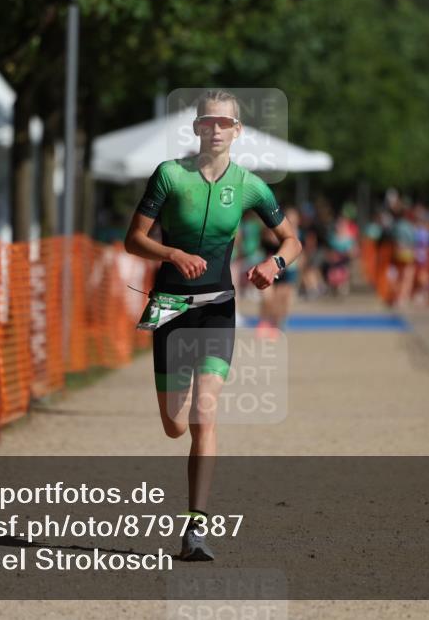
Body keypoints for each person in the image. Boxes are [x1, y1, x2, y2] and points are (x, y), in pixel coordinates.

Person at [124, 90, 301, 561]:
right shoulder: (169, 175)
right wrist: (173, 254)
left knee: (205, 412)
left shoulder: (250, 186)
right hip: (170, 308)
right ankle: (181, 446)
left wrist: (275, 264)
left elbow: (291, 239)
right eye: (208, 122)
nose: (216, 129)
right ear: (197, 128)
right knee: (174, 426)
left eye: (225, 123)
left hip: (219, 308)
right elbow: (133, 239)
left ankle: (195, 530)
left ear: (237, 131)